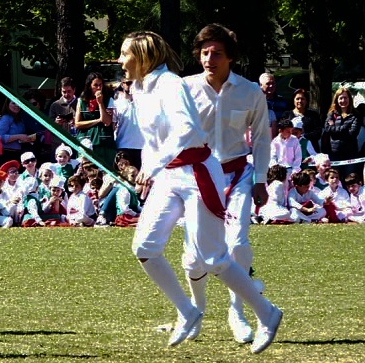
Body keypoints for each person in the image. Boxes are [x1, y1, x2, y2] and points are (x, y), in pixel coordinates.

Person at [119, 30, 281, 354]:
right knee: (145, 246)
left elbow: (186, 130)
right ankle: (188, 311)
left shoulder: (171, 84)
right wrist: (146, 171)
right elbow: (152, 140)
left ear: (143, 56)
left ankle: (267, 313)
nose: (121, 60)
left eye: (125, 54)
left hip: (198, 173)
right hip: (169, 175)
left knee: (213, 257)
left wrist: (154, 166)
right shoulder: (139, 89)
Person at [179, 24, 273, 344]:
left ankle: (238, 311)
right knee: (194, 258)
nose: (209, 58)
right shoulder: (185, 88)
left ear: (230, 57)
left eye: (216, 53)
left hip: (238, 176)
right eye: (204, 53)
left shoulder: (250, 91)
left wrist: (260, 179)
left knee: (237, 245)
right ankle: (195, 309)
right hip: (198, 178)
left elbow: (261, 139)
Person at [74, 72, 116, 170]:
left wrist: (100, 103)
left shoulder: (108, 100)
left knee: (105, 171)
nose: (98, 88)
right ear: (89, 86)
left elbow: (107, 122)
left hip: (103, 142)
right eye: (95, 85)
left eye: (100, 85)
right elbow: (77, 124)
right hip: (86, 141)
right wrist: (97, 120)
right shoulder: (81, 101)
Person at [322, 86, 362, 178]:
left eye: (345, 98)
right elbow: (327, 129)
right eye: (341, 98)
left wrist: (334, 128)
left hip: (350, 155)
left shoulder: (355, 115)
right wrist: (344, 128)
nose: (343, 100)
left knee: (349, 180)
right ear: (336, 100)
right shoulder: (331, 114)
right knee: (336, 181)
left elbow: (352, 134)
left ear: (349, 99)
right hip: (334, 154)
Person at [280, 88, 323, 152]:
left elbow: (318, 132)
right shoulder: (286, 115)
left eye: (302, 99)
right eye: (297, 99)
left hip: (311, 150)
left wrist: (302, 136)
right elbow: (282, 132)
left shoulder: (314, 115)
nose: (300, 101)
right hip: (290, 151)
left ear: (306, 101)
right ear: (293, 100)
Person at [0, 98, 36, 164]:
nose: (17, 105)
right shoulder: (5, 118)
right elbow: (0, 137)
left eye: (18, 103)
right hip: (7, 153)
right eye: (13, 103)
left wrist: (25, 138)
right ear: (7, 104)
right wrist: (19, 136)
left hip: (19, 153)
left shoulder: (20, 119)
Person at [259, 73, 287, 138]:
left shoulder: (282, 101)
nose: (271, 86)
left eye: (273, 83)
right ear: (260, 85)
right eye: (268, 84)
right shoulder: (256, 102)